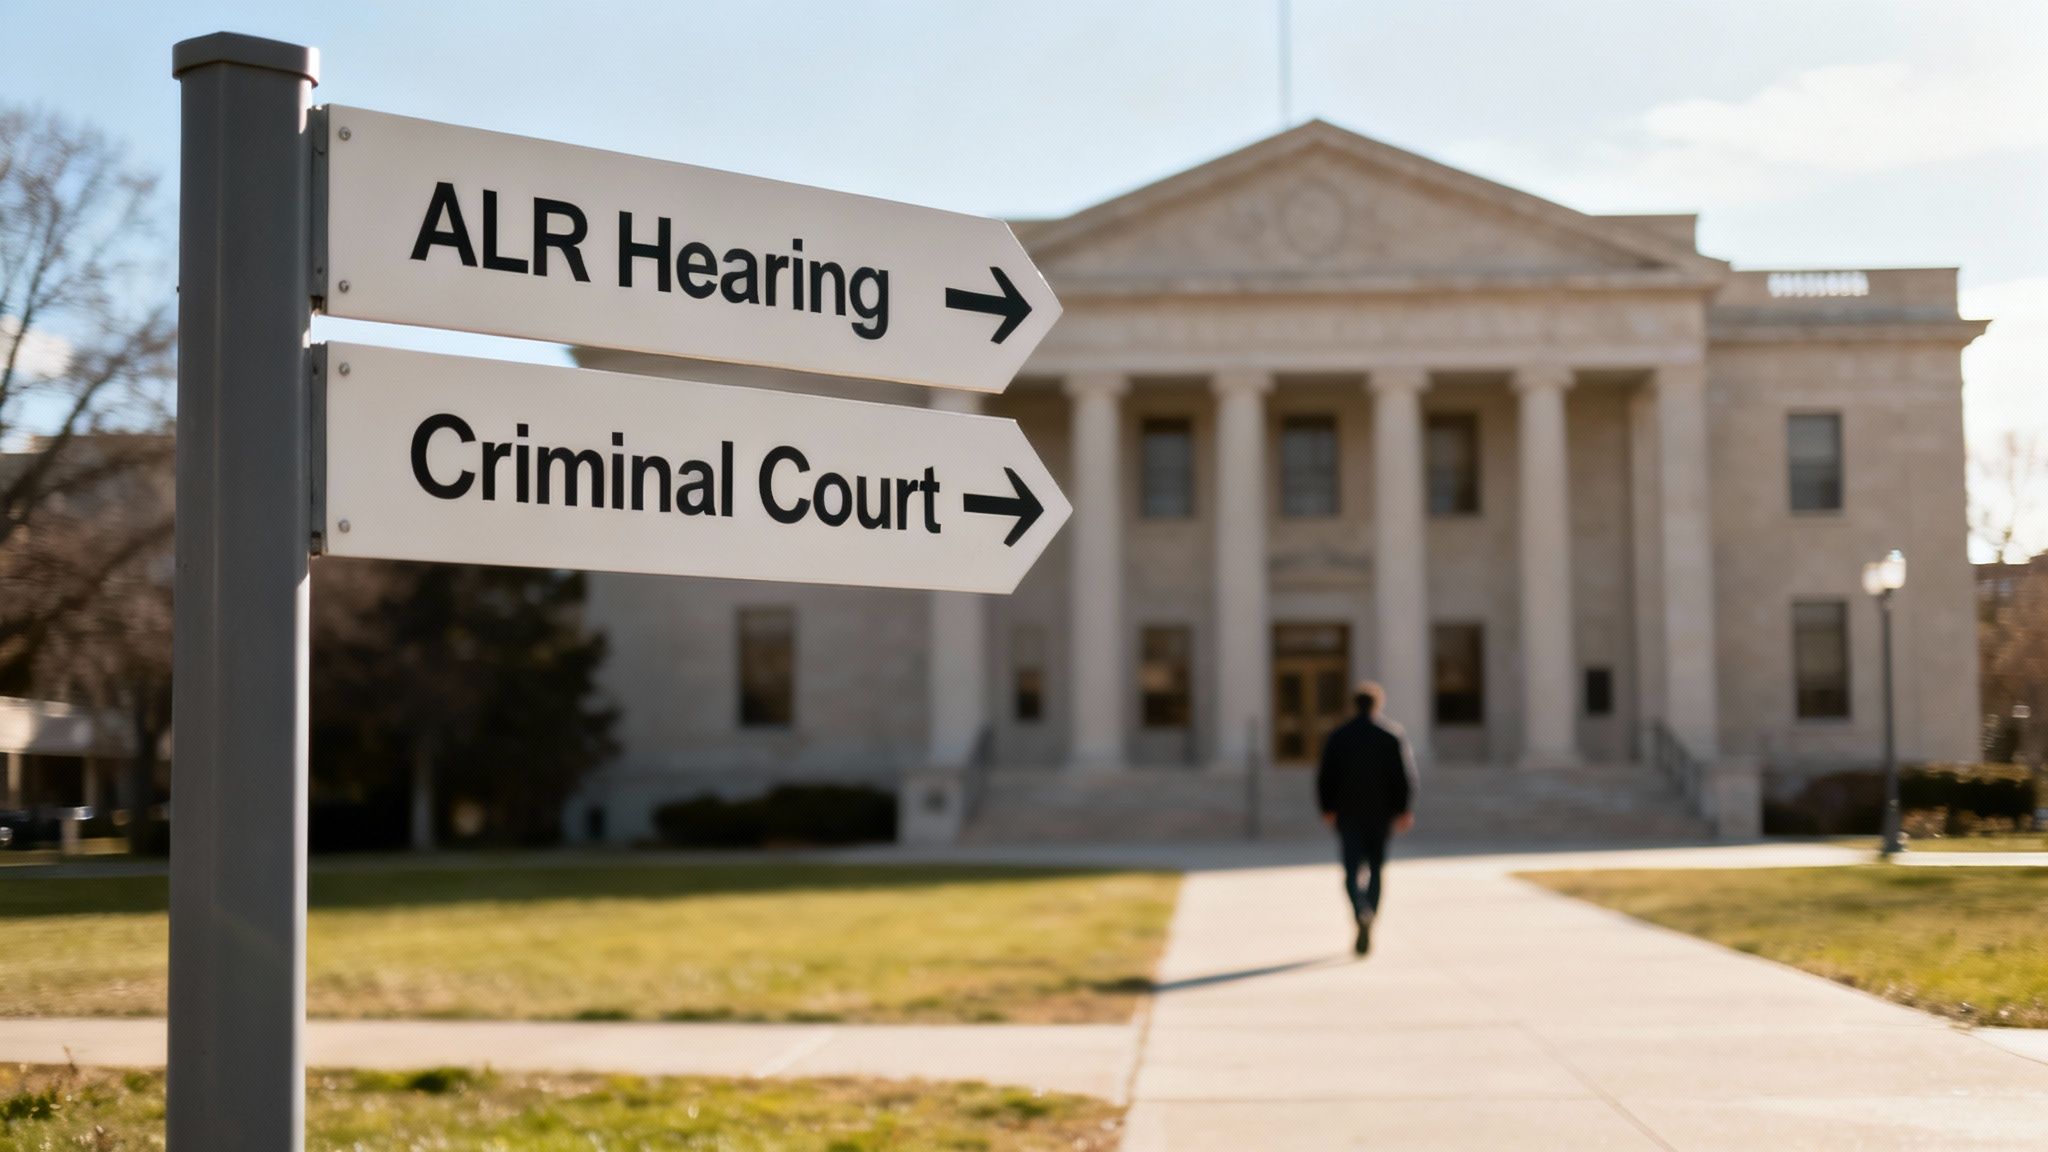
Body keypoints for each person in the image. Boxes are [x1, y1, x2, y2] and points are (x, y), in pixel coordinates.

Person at [1315, 680, 1418, 956]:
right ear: (1378, 704)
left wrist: (1327, 808)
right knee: (1375, 868)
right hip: (1380, 815)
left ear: (1354, 704)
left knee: (1351, 870)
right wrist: (1404, 809)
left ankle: (1360, 909)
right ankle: (1369, 911)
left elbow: (1326, 776)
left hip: (1348, 814)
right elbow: (1404, 776)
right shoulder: (1391, 735)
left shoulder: (1339, 736)